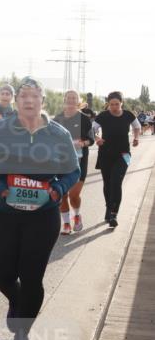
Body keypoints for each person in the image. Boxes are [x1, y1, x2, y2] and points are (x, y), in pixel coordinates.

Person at [0, 77, 80, 340]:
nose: (29, 101)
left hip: (43, 216)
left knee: (32, 277)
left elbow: (73, 169)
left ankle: (22, 334)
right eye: (24, 96)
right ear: (17, 101)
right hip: (4, 213)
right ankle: (17, 300)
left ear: (42, 101)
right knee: (2, 276)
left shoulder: (57, 134)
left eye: (35, 96)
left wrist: (58, 189)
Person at [93, 92, 140, 227]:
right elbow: (92, 129)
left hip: (124, 154)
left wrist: (136, 138)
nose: (114, 107)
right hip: (105, 154)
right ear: (108, 104)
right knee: (107, 184)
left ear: (121, 103)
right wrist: (97, 138)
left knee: (116, 182)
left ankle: (114, 214)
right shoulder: (103, 115)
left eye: (117, 104)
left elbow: (137, 126)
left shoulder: (128, 115)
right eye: (111, 104)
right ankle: (108, 208)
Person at [53, 90, 94, 234]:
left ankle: (76, 215)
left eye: (74, 98)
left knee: (73, 195)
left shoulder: (84, 118)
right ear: (64, 100)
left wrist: (82, 143)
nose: (71, 100)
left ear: (78, 101)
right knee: (62, 194)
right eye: (68, 97)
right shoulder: (57, 119)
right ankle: (66, 223)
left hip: (78, 162)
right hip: (61, 162)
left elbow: (91, 140)